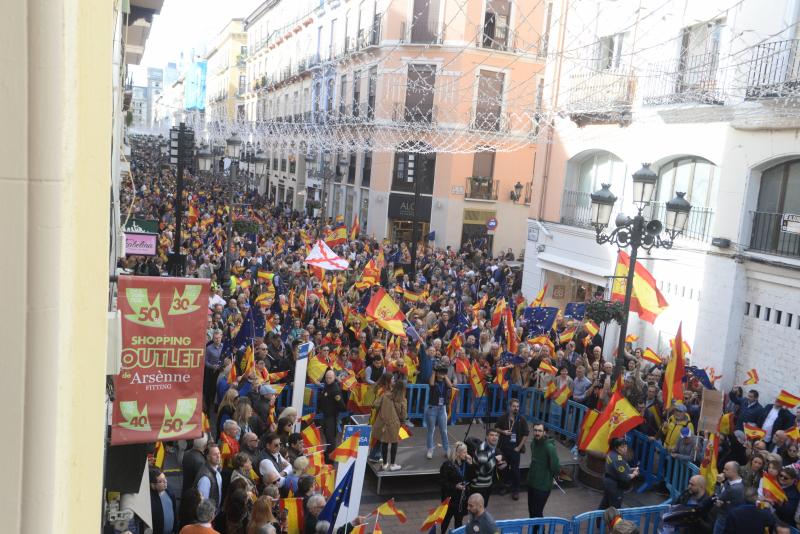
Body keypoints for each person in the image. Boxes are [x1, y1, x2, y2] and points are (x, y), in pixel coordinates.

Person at [527, 423, 560, 527]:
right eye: (535, 430)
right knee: (532, 512)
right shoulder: (533, 443)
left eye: (539, 431)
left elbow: (555, 467)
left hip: (543, 486)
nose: (537, 433)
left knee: (537, 513)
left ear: (544, 432)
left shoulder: (549, 447)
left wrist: (551, 477)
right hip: (532, 483)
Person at [496, 397, 529, 499]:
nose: (516, 408)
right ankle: (504, 487)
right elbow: (496, 427)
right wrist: (503, 432)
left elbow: (526, 434)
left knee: (515, 471)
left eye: (517, 406)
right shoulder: (503, 417)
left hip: (515, 449)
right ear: (509, 407)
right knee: (503, 469)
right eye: (514, 406)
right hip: (504, 449)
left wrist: (519, 448)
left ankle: (516, 490)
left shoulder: (521, 419)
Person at [371, 379, 407, 471]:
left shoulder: (385, 395)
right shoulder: (403, 400)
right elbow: (403, 415)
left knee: (384, 443)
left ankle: (384, 463)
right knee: (394, 443)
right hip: (395, 424)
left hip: (383, 423)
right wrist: (403, 423)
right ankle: (393, 464)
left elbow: (375, 404)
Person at [440, 442, 474, 533]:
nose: (466, 455)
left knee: (459, 520)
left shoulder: (466, 463)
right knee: (446, 519)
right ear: (458, 453)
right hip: (450, 499)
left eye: (467, 452)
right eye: (464, 452)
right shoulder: (448, 465)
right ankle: (442, 532)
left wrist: (471, 464)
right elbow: (443, 482)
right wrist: (455, 486)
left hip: (461, 499)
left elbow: (472, 477)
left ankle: (457, 532)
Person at [599, 438, 639, 511]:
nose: (625, 449)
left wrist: (631, 469)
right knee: (615, 507)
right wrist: (634, 474)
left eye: (626, 446)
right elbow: (625, 477)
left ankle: (598, 521)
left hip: (608, 481)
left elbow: (619, 469)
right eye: (622, 447)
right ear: (617, 448)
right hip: (614, 485)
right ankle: (612, 522)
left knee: (605, 503)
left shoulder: (611, 453)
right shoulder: (618, 459)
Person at [426, 361, 453, 459]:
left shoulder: (445, 382)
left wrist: (444, 374)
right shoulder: (434, 380)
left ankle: (447, 450)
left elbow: (450, 385)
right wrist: (434, 371)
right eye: (440, 372)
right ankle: (430, 449)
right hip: (432, 408)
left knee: (444, 430)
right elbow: (431, 383)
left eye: (442, 372)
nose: (441, 374)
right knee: (431, 430)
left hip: (442, 409)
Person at [317, 369, 346, 460]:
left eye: (330, 378)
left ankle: (331, 456)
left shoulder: (335, 389)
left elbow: (341, 405)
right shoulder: (327, 386)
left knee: (330, 437)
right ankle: (328, 452)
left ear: (334, 378)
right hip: (326, 415)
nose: (328, 379)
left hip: (331, 416)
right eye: (326, 378)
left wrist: (336, 411)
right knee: (326, 433)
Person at [472, 428, 505, 507]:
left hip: (487, 483)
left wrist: (501, 463)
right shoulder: (483, 449)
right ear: (487, 437)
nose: (494, 437)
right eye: (492, 435)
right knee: (478, 509)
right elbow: (484, 470)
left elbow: (492, 464)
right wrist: (496, 460)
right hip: (479, 486)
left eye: (496, 435)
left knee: (483, 508)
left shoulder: (493, 448)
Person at [712, 461, 745, 534]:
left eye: (726, 469)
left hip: (725, 519)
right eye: (724, 469)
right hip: (723, 516)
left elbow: (715, 498)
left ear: (734, 472)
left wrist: (718, 483)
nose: (723, 471)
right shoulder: (730, 480)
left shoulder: (734, 488)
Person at [195, 444, 224, 515]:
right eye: (215, 454)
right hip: (208, 516)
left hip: (213, 513)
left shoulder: (216, 469)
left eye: (219, 453)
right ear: (208, 457)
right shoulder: (205, 479)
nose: (218, 456)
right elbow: (203, 503)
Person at [149, 467, 177, 534]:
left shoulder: (170, 493)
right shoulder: (149, 501)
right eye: (161, 481)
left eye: (165, 478)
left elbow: (174, 512)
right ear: (152, 485)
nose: (165, 482)